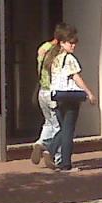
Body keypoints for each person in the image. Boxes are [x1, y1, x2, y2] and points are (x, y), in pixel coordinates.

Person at [43, 24, 97, 172]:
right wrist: (89, 93)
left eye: (74, 43)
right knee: (69, 130)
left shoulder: (54, 59)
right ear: (62, 43)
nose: (73, 45)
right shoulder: (69, 58)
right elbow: (76, 77)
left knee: (64, 128)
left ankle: (50, 150)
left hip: (58, 96)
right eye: (70, 43)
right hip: (71, 97)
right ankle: (65, 163)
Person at [30, 26, 63, 166]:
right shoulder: (58, 52)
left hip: (42, 90)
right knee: (59, 126)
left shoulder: (43, 47)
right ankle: (56, 156)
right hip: (52, 92)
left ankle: (40, 143)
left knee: (48, 122)